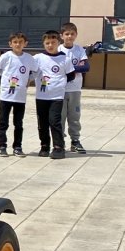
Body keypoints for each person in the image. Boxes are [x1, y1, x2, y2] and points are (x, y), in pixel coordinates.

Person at [0, 32, 37, 157]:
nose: (18, 44)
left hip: (20, 97)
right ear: (10, 44)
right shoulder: (6, 56)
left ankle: (17, 146)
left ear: (25, 44)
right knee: (3, 122)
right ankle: (2, 145)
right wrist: (6, 76)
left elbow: (37, 71)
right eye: (15, 42)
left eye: (20, 42)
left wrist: (28, 79)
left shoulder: (28, 58)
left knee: (18, 123)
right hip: (6, 96)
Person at [34, 30, 76, 159]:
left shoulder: (65, 59)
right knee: (42, 122)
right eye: (47, 43)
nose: (50, 45)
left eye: (53, 42)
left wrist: (58, 85)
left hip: (56, 97)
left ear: (59, 42)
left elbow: (71, 75)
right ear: (43, 44)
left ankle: (58, 147)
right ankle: (44, 146)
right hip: (41, 96)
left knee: (55, 121)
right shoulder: (37, 58)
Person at [59, 22, 90, 153]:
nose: (69, 36)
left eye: (72, 34)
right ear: (62, 36)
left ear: (76, 35)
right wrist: (74, 68)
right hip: (60, 89)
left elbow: (85, 67)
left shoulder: (79, 50)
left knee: (74, 116)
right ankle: (59, 141)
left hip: (75, 89)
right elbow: (58, 69)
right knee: (60, 117)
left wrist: (69, 69)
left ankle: (75, 141)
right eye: (67, 34)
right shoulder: (58, 50)